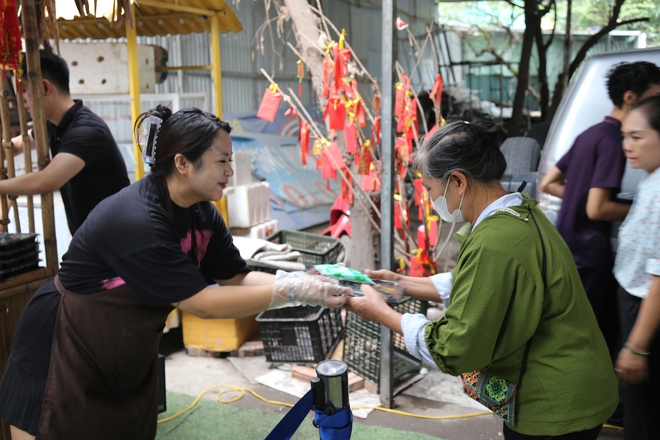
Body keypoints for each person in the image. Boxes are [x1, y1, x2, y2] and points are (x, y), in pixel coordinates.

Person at [0, 105, 350, 440]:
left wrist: (304, 282)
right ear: (182, 163)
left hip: (122, 348)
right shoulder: (139, 219)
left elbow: (237, 278)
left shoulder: (203, 213)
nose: (230, 171)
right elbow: (203, 303)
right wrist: (294, 291)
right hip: (62, 345)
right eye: (222, 161)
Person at [348, 119, 618, 439]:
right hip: (576, 382)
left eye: (431, 190)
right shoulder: (518, 212)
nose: (433, 204)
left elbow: (454, 347)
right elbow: (479, 282)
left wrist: (382, 313)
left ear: (459, 181)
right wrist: (401, 283)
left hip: (555, 400)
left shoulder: (495, 241)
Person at [539, 62, 660, 364]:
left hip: (569, 250)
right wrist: (641, 209)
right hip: (592, 256)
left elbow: (549, 183)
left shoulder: (589, 134)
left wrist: (581, 195)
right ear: (631, 98)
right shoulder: (614, 141)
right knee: (598, 345)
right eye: (654, 96)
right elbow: (597, 207)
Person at [1, 49, 130, 234]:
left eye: (25, 90)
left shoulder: (87, 131)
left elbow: (46, 181)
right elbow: (20, 144)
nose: (22, 100)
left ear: (45, 88)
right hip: (90, 239)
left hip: (117, 240)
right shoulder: (54, 126)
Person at [614, 95, 660, 440]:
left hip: (646, 309)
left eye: (637, 136)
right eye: (624, 135)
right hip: (635, 301)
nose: (627, 145)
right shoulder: (650, 178)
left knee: (644, 413)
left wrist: (637, 347)